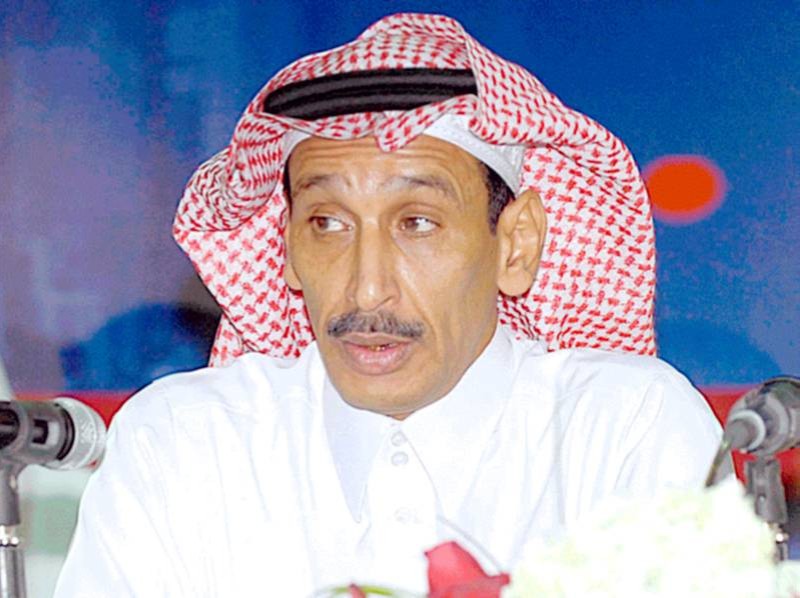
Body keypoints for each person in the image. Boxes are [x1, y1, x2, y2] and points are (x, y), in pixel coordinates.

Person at [55, 13, 722, 597]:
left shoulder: (625, 430)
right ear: (285, 246)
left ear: (516, 244)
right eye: (326, 224)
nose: (367, 289)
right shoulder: (184, 444)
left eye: (417, 223)